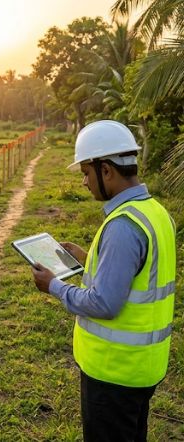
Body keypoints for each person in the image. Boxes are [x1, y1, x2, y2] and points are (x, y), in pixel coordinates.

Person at [31, 120, 176, 441]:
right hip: (143, 367)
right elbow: (137, 278)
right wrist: (87, 259)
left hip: (114, 373)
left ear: (106, 170)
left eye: (86, 172)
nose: (84, 182)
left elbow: (104, 303)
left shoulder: (123, 226)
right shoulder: (155, 213)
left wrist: (53, 285)